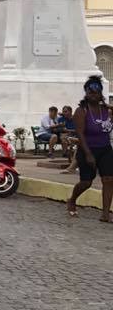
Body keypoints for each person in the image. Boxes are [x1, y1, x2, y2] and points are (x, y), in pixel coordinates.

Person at [67, 76, 113, 223]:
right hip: (87, 149)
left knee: (108, 179)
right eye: (90, 91)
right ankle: (72, 199)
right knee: (86, 182)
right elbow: (80, 134)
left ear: (101, 93)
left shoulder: (107, 110)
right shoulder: (81, 111)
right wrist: (88, 154)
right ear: (86, 93)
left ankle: (105, 214)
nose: (94, 94)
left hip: (105, 149)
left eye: (97, 91)